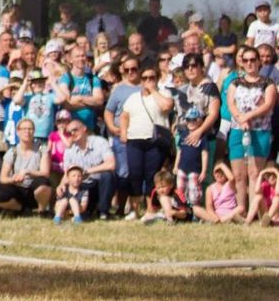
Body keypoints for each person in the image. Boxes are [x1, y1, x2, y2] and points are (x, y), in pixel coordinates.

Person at [120, 65, 174, 218]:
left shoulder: (164, 93)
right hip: (134, 139)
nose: (148, 81)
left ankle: (151, 209)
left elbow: (166, 106)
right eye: (145, 78)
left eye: (152, 78)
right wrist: (123, 132)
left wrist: (153, 91)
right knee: (135, 174)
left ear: (157, 79)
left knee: (152, 175)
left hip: (155, 140)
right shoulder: (133, 97)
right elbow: (124, 116)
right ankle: (135, 210)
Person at [227, 46, 276, 210]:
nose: (249, 63)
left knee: (255, 173)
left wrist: (248, 116)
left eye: (252, 60)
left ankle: (254, 212)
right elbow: (231, 104)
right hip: (238, 130)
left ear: (259, 61)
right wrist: (240, 119)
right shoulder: (235, 83)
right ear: (241, 62)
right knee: (239, 174)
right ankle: (241, 209)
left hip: (260, 131)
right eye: (245, 60)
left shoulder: (268, 83)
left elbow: (268, 105)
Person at [0, 118, 52, 215]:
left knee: (44, 182)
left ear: (34, 131)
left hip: (34, 189)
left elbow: (45, 173)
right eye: (24, 129)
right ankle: (21, 209)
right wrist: (13, 179)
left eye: (30, 129)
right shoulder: (12, 152)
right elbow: (3, 178)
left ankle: (42, 211)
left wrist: (28, 172)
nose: (27, 131)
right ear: (18, 132)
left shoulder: (42, 149)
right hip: (17, 189)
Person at [61, 118, 116, 219]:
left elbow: (111, 164)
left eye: (75, 130)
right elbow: (66, 174)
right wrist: (61, 185)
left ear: (84, 129)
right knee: (69, 185)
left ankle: (103, 212)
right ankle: (83, 211)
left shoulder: (100, 142)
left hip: (99, 184)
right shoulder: (69, 150)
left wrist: (87, 171)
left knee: (108, 176)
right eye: (69, 132)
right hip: (82, 187)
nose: (72, 133)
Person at [56, 45, 103, 131]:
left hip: (89, 128)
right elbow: (66, 104)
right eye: (77, 56)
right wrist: (90, 103)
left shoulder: (93, 79)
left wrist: (80, 98)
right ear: (71, 59)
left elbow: (99, 101)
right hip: (70, 129)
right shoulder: (66, 78)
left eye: (83, 56)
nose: (81, 59)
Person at [174, 107, 209, 206]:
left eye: (194, 119)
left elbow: (204, 154)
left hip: (195, 169)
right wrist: (176, 165)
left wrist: (204, 171)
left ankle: (195, 209)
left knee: (194, 192)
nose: (191, 122)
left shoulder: (203, 137)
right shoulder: (183, 135)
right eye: (188, 119)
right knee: (180, 189)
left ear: (200, 121)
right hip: (182, 168)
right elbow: (179, 151)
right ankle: (182, 207)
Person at [12, 70, 56, 144]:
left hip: (47, 136)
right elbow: (16, 100)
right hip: (30, 135)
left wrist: (53, 83)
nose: (38, 84)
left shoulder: (49, 96)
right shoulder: (27, 97)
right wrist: (25, 84)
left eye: (41, 81)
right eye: (35, 82)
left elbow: (62, 98)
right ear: (30, 84)